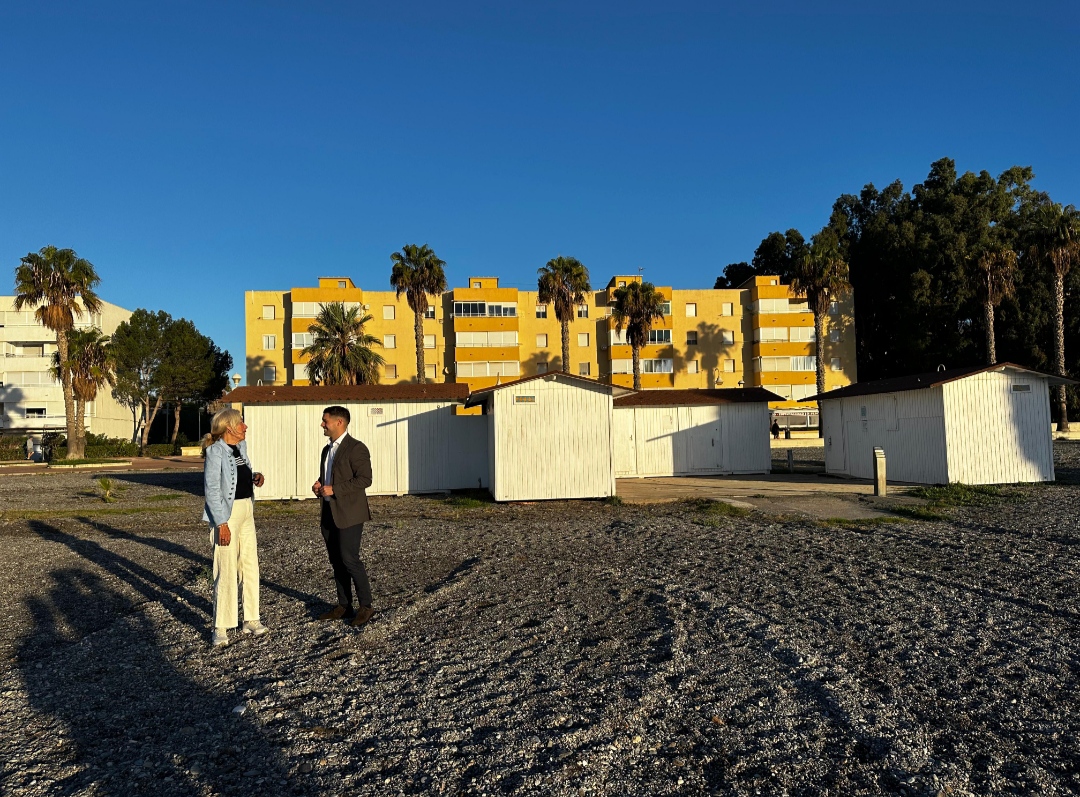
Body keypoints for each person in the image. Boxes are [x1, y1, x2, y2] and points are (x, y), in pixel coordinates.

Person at [201, 408, 267, 648]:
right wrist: (221, 523)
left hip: (246, 511)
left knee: (250, 565)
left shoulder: (241, 448)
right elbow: (212, 490)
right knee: (225, 568)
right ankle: (220, 625)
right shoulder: (215, 452)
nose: (245, 427)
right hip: (226, 516)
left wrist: (254, 477)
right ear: (229, 428)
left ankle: (251, 618)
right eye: (241, 424)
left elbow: (237, 477)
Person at [312, 405, 374, 627]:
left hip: (350, 513)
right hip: (329, 511)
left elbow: (365, 479)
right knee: (336, 560)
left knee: (350, 559)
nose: (322, 424)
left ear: (339, 422)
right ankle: (344, 605)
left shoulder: (356, 448)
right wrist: (320, 485)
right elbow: (330, 477)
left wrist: (334, 489)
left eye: (325, 420)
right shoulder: (327, 449)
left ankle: (366, 606)